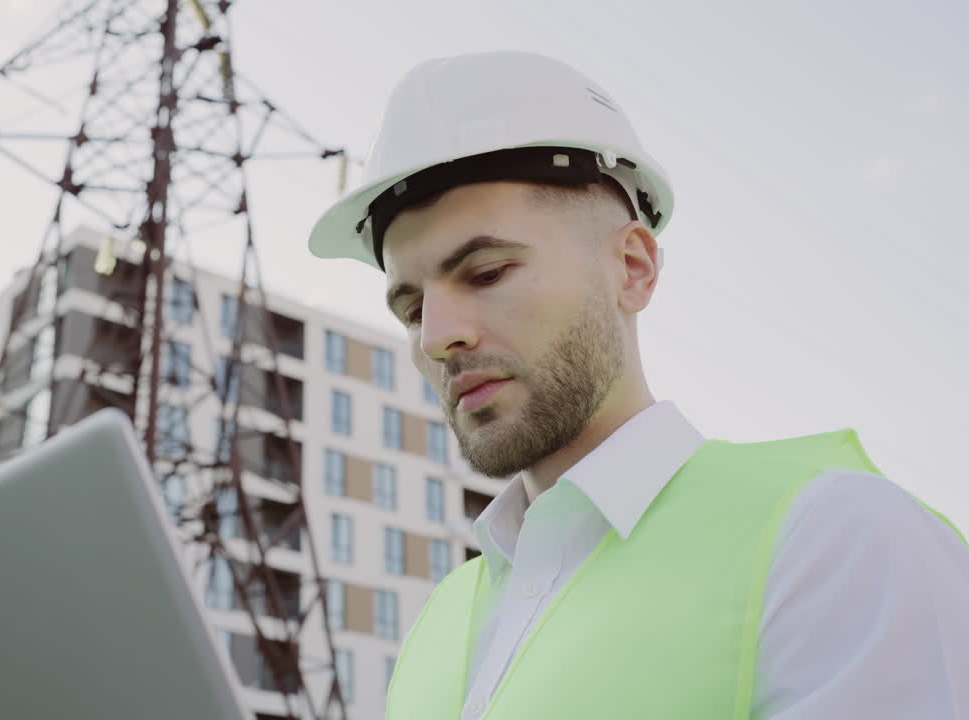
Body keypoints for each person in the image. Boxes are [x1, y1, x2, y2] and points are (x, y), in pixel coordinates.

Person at [307, 51, 969, 719]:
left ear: (631, 267)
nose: (436, 338)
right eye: (413, 309)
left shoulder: (836, 543)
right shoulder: (437, 630)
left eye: (486, 273)